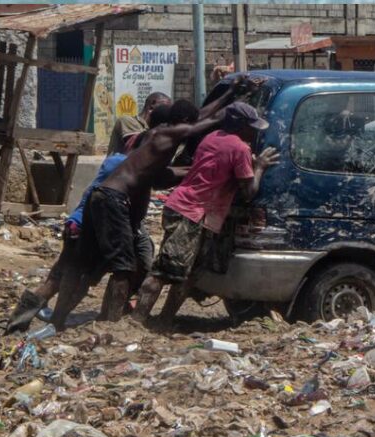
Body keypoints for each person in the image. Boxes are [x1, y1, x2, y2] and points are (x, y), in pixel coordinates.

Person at [50, 81, 247, 331]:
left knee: (82, 265)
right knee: (124, 268)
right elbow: (205, 121)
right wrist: (232, 98)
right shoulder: (167, 134)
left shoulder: (153, 137)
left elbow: (198, 122)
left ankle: (58, 320)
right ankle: (112, 325)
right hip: (114, 199)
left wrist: (228, 92)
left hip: (101, 197)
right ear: (182, 120)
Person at [4, 105, 176, 334]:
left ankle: (23, 322)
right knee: (73, 277)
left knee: (60, 277)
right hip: (89, 226)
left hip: (80, 223)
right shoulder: (128, 167)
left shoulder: (119, 161)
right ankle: (57, 321)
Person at [133, 101, 280, 327]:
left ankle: (162, 322)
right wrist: (259, 166)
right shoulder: (239, 148)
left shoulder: (211, 138)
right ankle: (138, 322)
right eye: (251, 126)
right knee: (165, 271)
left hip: (189, 209)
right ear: (240, 126)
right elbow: (249, 191)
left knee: (187, 274)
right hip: (192, 212)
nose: (254, 132)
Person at [106, 91, 171, 155]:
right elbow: (139, 145)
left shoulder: (152, 128)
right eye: (165, 107)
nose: (167, 111)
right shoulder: (127, 120)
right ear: (152, 105)